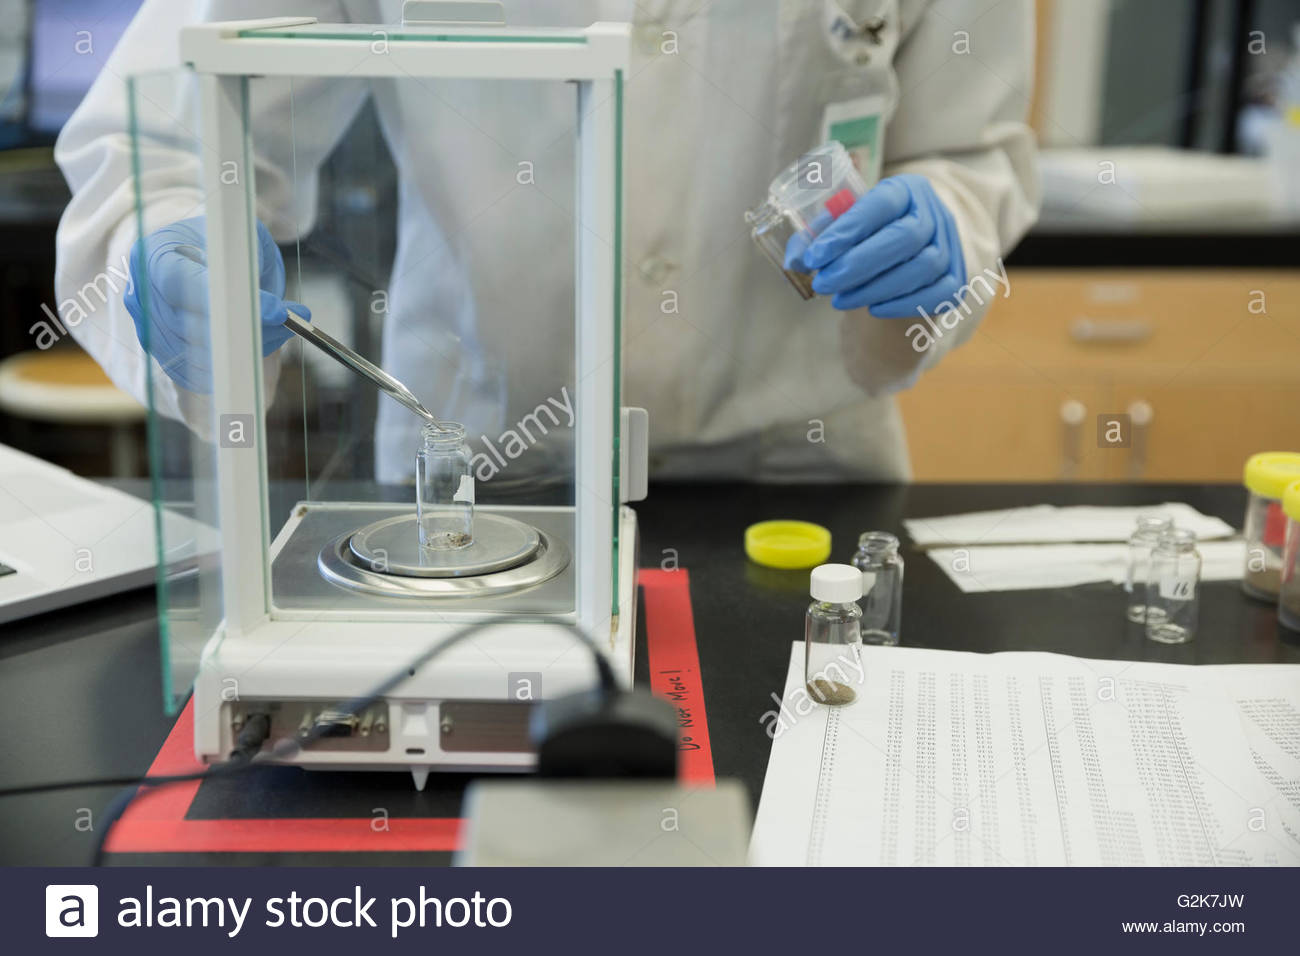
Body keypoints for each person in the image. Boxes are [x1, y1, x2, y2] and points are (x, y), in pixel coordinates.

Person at [55, 0, 1039, 484]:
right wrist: (167, 241)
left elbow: (970, 149)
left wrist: (945, 222)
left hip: (800, 479)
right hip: (480, 474)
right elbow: (165, 136)